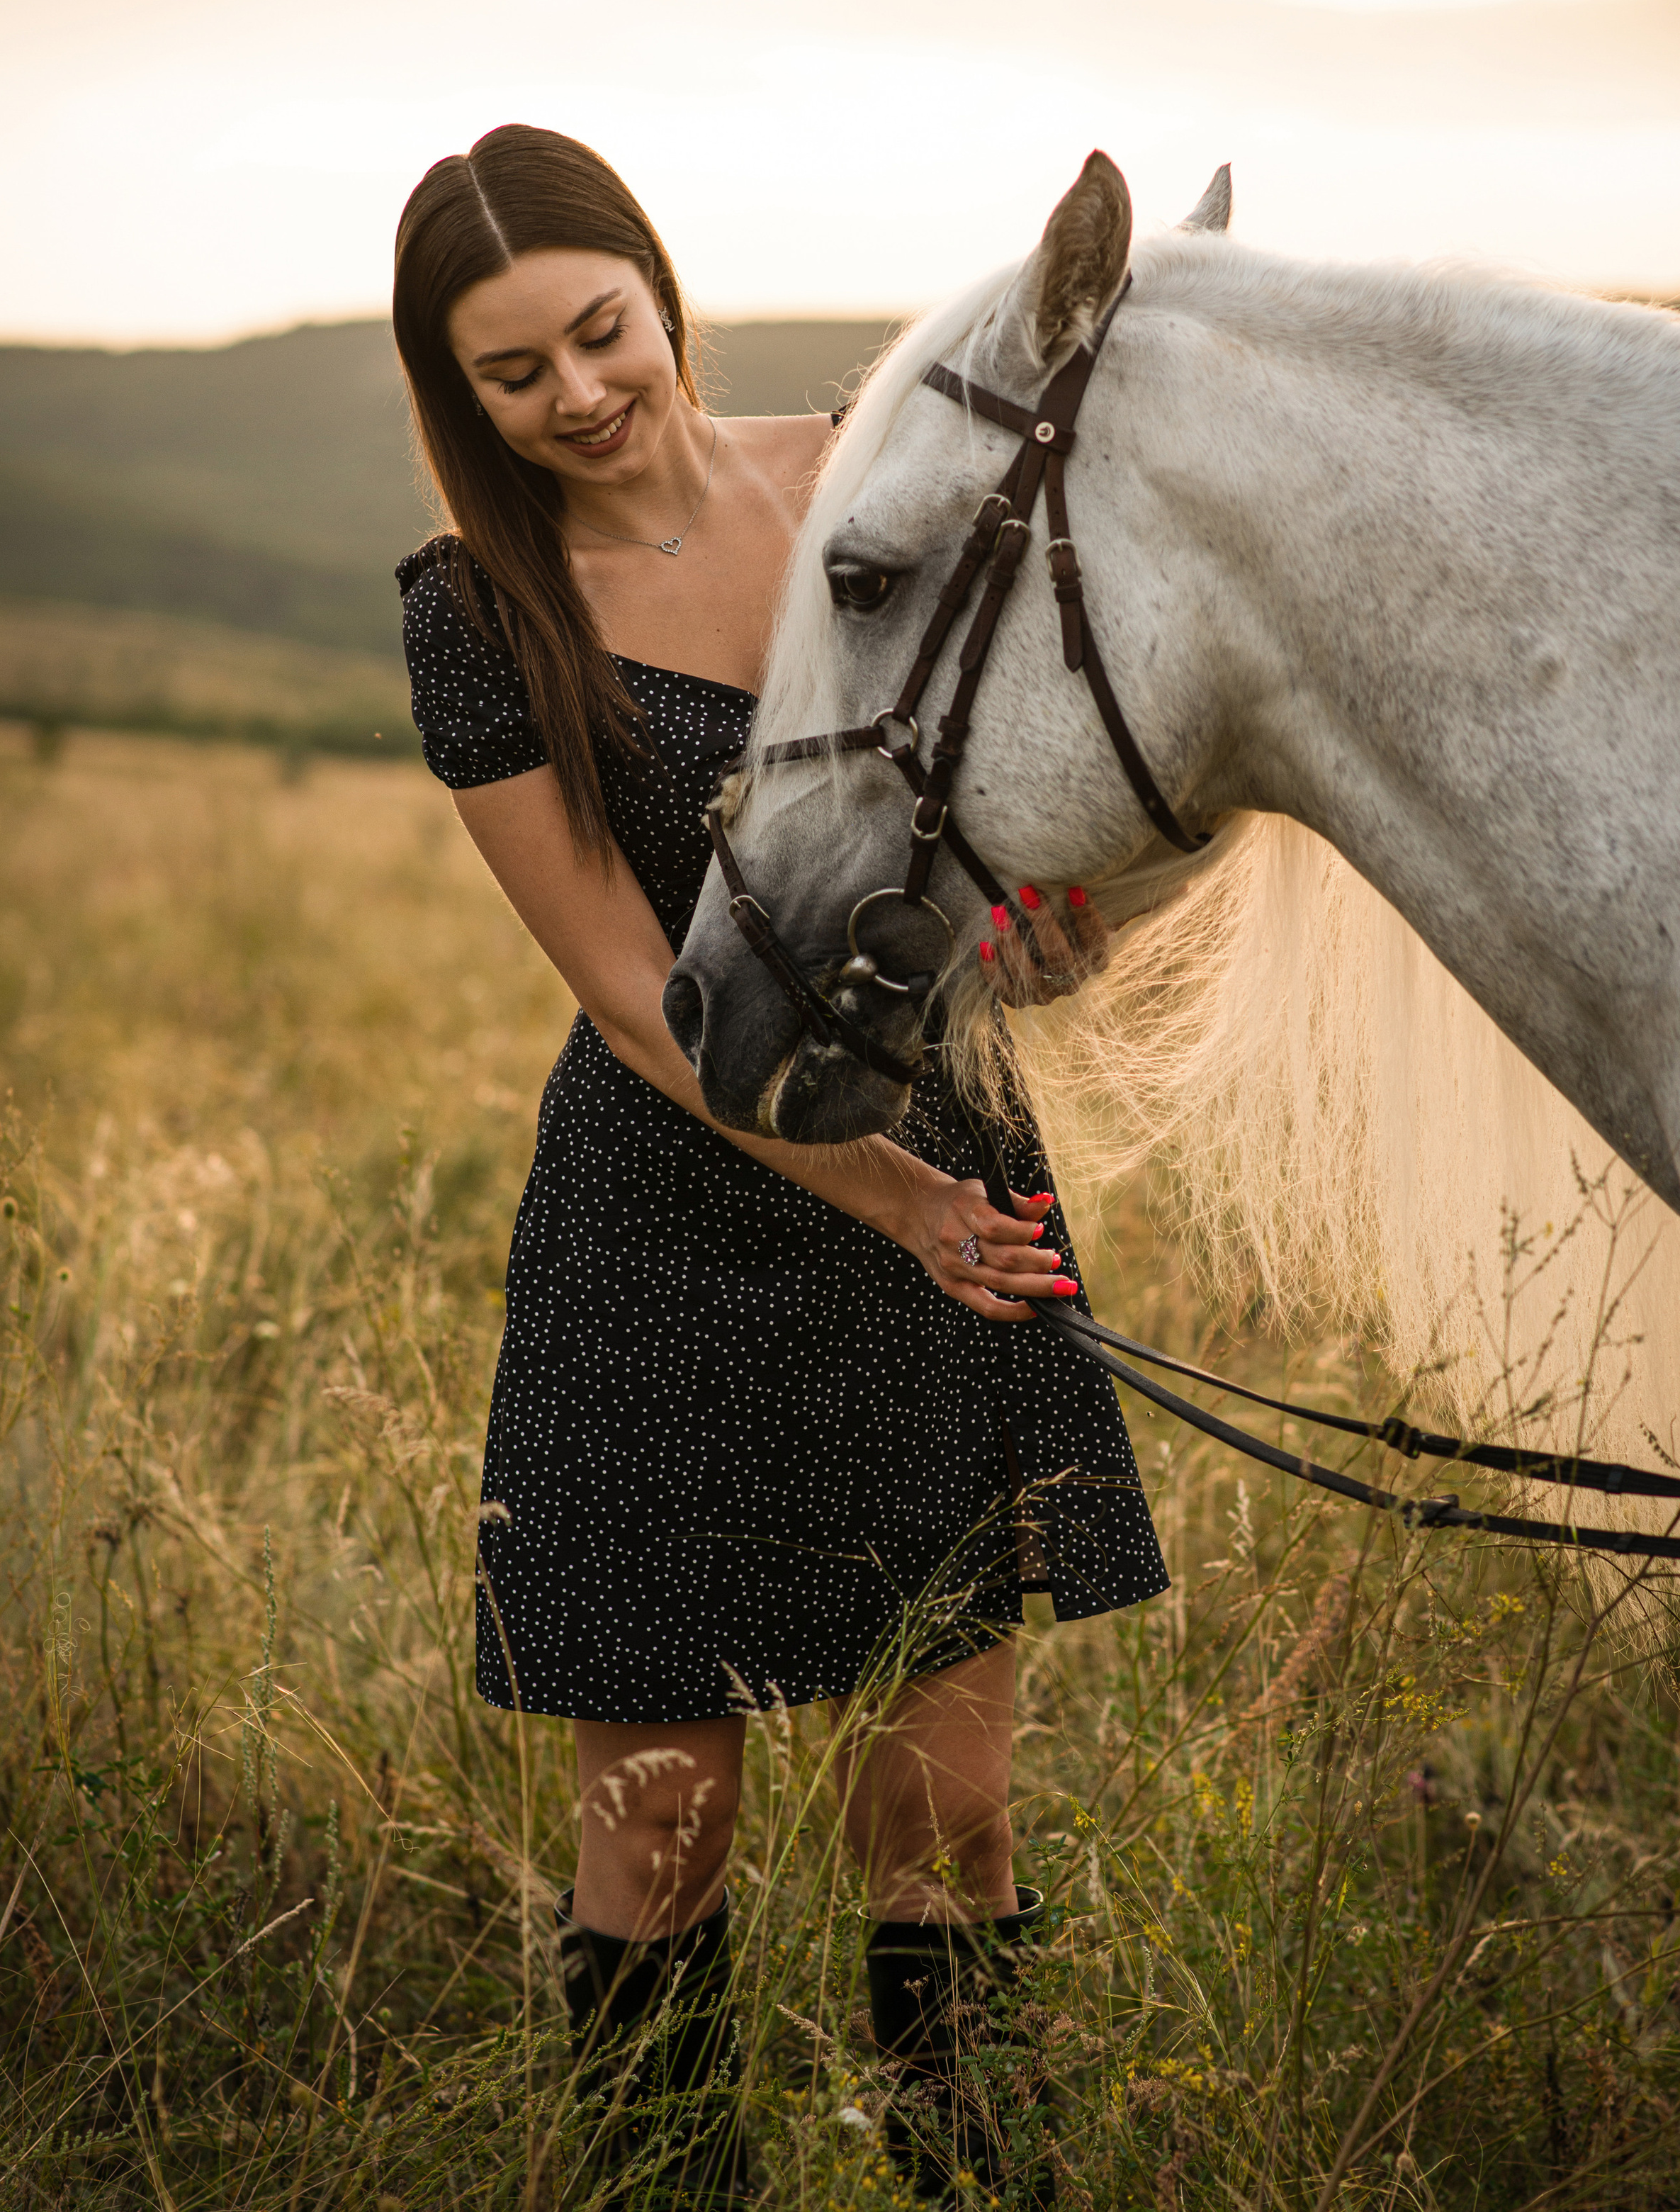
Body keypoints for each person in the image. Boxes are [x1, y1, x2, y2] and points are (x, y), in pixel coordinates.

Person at [393, 123, 1169, 2204]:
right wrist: (895, 1195)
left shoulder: (859, 467)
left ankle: (978, 2182)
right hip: (672, 1226)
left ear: (656, 289)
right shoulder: (480, 612)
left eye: (598, 330)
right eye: (510, 372)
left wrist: (1047, 928)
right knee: (661, 1826)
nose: (577, 391)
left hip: (953, 1172)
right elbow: (632, 990)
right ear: (459, 396)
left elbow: (1011, 823)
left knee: (951, 1812)